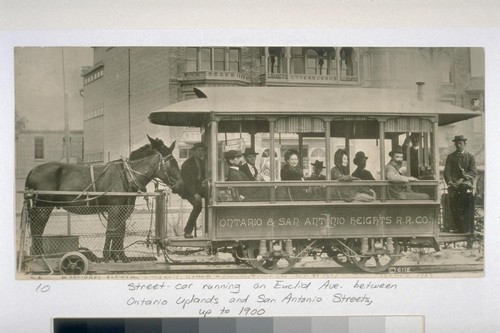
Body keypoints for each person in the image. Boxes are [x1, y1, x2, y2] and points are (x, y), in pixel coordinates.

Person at [444, 135, 477, 233]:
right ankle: (458, 228)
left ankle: (466, 229)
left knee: (464, 202)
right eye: (456, 143)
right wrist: (450, 182)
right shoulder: (451, 156)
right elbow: (447, 172)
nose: (458, 145)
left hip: (465, 184)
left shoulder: (470, 156)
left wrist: (462, 179)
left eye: (460, 143)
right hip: (453, 185)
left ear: (464, 144)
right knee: (453, 206)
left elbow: (473, 172)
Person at [180, 142, 206, 238]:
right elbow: (188, 182)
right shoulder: (187, 164)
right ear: (194, 152)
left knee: (213, 199)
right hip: (188, 190)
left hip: (199, 189)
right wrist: (195, 193)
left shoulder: (203, 162)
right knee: (197, 206)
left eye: (202, 150)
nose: (201, 152)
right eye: (199, 150)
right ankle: (187, 231)